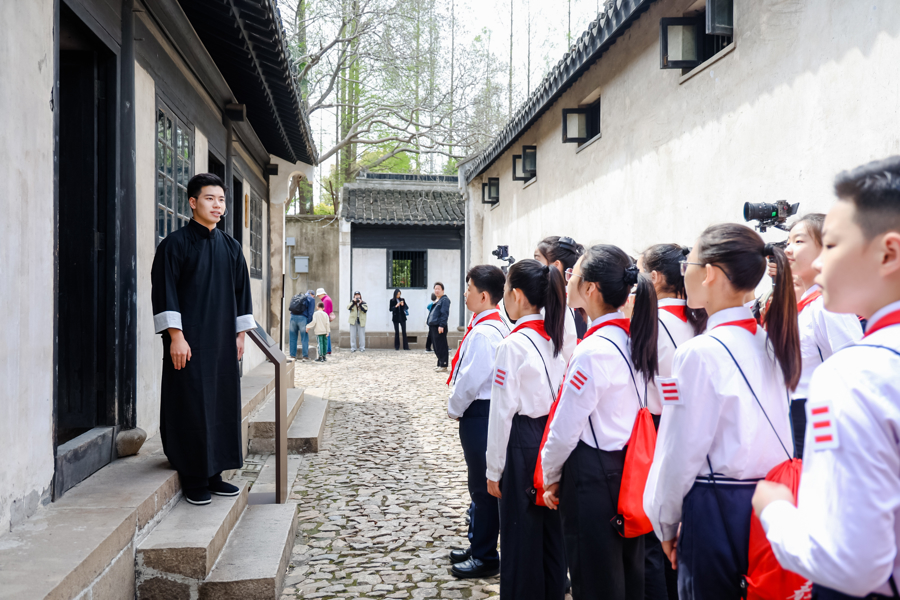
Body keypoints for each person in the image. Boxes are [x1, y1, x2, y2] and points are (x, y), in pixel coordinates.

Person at [752, 156, 900, 599]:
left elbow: (852, 564)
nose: (817, 265)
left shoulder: (855, 373)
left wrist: (776, 511)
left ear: (888, 253)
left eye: (831, 246)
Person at [644, 223, 800, 600]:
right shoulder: (772, 342)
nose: (685, 273)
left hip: (717, 509)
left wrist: (665, 522)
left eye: (689, 264)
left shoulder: (699, 353)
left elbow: (679, 453)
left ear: (710, 273)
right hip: (773, 503)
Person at [541, 245, 658, 600]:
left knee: (595, 581)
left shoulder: (593, 351)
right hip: (628, 469)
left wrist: (550, 474)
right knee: (628, 576)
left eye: (573, 273)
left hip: (593, 476)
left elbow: (566, 428)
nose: (568, 279)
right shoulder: (633, 337)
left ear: (590, 288)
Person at [151, 173, 253, 506]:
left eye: (221, 200)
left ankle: (214, 474)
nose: (217, 205)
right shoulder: (174, 245)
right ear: (193, 202)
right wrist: (175, 337)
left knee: (221, 403)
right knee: (191, 404)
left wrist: (240, 335)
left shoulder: (231, 248)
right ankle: (194, 477)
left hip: (222, 343)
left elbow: (241, 294)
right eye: (210, 198)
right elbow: (165, 291)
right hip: (189, 343)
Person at [486, 259, 568, 598]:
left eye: (506, 289)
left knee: (520, 539)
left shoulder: (512, 345)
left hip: (521, 443)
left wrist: (493, 470)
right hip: (551, 437)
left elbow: (501, 413)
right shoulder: (556, 338)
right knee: (551, 536)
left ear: (517, 295)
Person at [639, 243, 707, 600]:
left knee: (654, 530)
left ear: (653, 277)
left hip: (655, 429)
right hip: (700, 432)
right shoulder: (703, 318)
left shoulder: (647, 322)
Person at [774, 214, 863, 458]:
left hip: (818, 414)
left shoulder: (827, 305)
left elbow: (855, 366)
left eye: (798, 241)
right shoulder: (808, 305)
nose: (788, 250)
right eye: (788, 242)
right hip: (797, 412)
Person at [446, 266, 510, 580]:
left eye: (469, 288)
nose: (465, 293)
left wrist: (454, 407)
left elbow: (471, 380)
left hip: (480, 413)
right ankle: (478, 544)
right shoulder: (490, 325)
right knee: (479, 485)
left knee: (482, 488)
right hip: (483, 412)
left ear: (483, 296)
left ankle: (485, 555)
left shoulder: (486, 333)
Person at [535, 235, 586, 360]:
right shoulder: (578, 299)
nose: (533, 266)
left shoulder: (553, 303)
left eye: (537, 260)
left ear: (556, 265)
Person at [428, 282, 451, 371]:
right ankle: (440, 364)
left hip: (439, 326)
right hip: (433, 326)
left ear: (443, 290)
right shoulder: (438, 300)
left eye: (438, 289)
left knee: (441, 345)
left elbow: (444, 313)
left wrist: (441, 325)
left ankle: (443, 365)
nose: (436, 291)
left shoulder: (444, 300)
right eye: (435, 289)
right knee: (436, 346)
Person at [288, 289, 312, 361]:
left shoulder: (296, 297)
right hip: (302, 318)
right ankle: (305, 356)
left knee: (292, 337)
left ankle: (292, 356)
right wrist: (309, 323)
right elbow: (310, 312)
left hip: (292, 317)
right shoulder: (310, 298)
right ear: (312, 294)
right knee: (304, 338)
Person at [316, 287, 334, 354]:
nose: (318, 297)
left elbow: (325, 312)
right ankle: (328, 349)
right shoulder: (327, 299)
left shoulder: (326, 300)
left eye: (318, 295)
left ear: (322, 294)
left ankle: (326, 350)